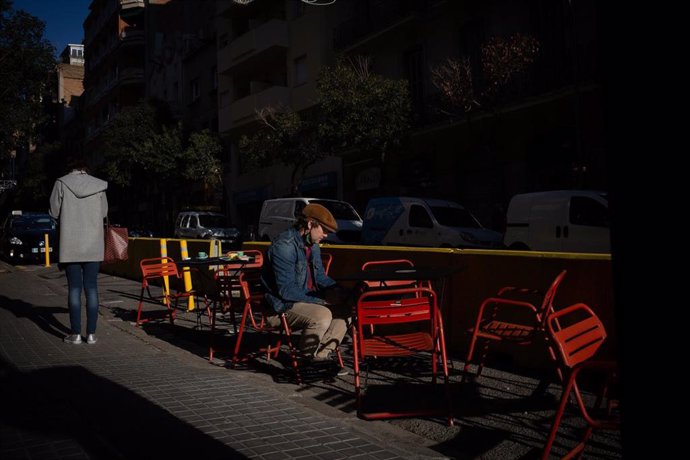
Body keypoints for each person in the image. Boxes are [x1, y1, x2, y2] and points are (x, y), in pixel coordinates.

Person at [261, 203, 351, 362]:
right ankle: (306, 359)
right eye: (324, 230)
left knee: (346, 311)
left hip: (306, 300)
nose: (326, 235)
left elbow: (321, 277)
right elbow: (286, 291)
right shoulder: (284, 246)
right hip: (281, 306)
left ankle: (321, 357)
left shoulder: (313, 245)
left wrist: (339, 290)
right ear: (310, 225)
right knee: (322, 315)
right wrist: (323, 301)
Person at [49, 157, 108, 345]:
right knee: (91, 288)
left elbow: (53, 211)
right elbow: (104, 212)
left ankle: (75, 335)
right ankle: (91, 335)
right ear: (85, 169)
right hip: (93, 245)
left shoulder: (61, 183)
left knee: (74, 289)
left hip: (70, 245)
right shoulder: (99, 185)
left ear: (70, 169)